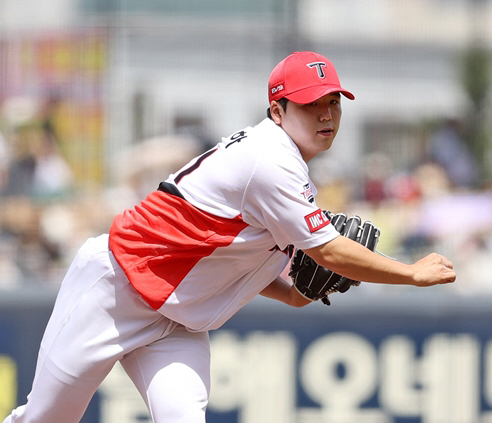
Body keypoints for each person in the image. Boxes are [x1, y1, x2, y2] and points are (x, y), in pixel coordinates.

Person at [3, 51, 455, 423]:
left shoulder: (280, 163)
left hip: (176, 318)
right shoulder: (270, 162)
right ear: (277, 111)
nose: (326, 114)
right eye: (310, 103)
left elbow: (230, 251)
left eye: (333, 102)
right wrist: (411, 273)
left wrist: (292, 295)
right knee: (46, 419)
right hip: (117, 288)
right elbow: (331, 251)